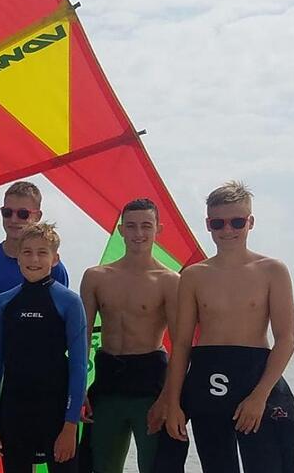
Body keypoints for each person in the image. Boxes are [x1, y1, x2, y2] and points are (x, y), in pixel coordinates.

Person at [159, 182, 294, 473]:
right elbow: (181, 344)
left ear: (250, 222)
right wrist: (173, 403)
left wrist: (259, 396)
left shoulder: (272, 270)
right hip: (208, 376)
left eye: (237, 222)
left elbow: (286, 340)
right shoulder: (194, 275)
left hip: (255, 373)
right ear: (208, 224)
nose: (227, 230)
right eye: (218, 223)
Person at [0, 222, 86, 473]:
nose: (34, 259)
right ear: (18, 258)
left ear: (55, 259)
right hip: (15, 411)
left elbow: (79, 368)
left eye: (42, 252)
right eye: (27, 252)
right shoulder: (4, 302)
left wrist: (71, 424)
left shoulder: (70, 302)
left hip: (56, 412)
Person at [79, 199, 179, 473]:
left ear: (158, 229)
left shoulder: (169, 280)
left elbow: (181, 344)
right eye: (131, 226)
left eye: (146, 226)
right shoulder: (96, 277)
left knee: (155, 466)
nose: (138, 233)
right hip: (107, 383)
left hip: (150, 385)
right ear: (121, 230)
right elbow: (82, 337)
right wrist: (78, 388)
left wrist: (168, 398)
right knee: (102, 466)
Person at [0, 181, 69, 297]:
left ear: (38, 216)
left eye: (23, 214)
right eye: (7, 212)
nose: (13, 220)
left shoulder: (53, 268)